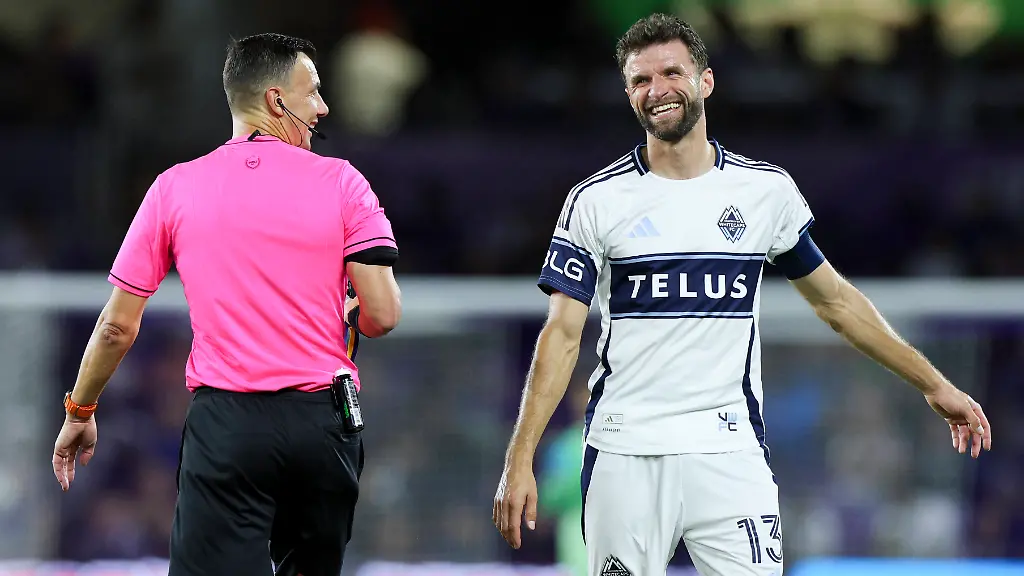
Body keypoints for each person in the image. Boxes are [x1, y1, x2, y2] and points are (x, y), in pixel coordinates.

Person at [492, 13, 991, 576]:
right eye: (640, 81)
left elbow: (837, 303)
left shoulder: (763, 192)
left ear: (705, 81)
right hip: (623, 451)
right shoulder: (596, 201)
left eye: (671, 73)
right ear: (628, 94)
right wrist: (521, 455)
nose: (657, 91)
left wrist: (933, 383)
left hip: (729, 452)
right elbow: (561, 333)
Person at [51, 33, 402, 576]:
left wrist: (81, 410)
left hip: (229, 424)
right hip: (324, 423)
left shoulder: (174, 188)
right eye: (312, 93)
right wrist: (349, 312)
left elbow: (118, 326)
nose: (323, 107)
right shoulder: (344, 182)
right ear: (275, 100)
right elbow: (383, 314)